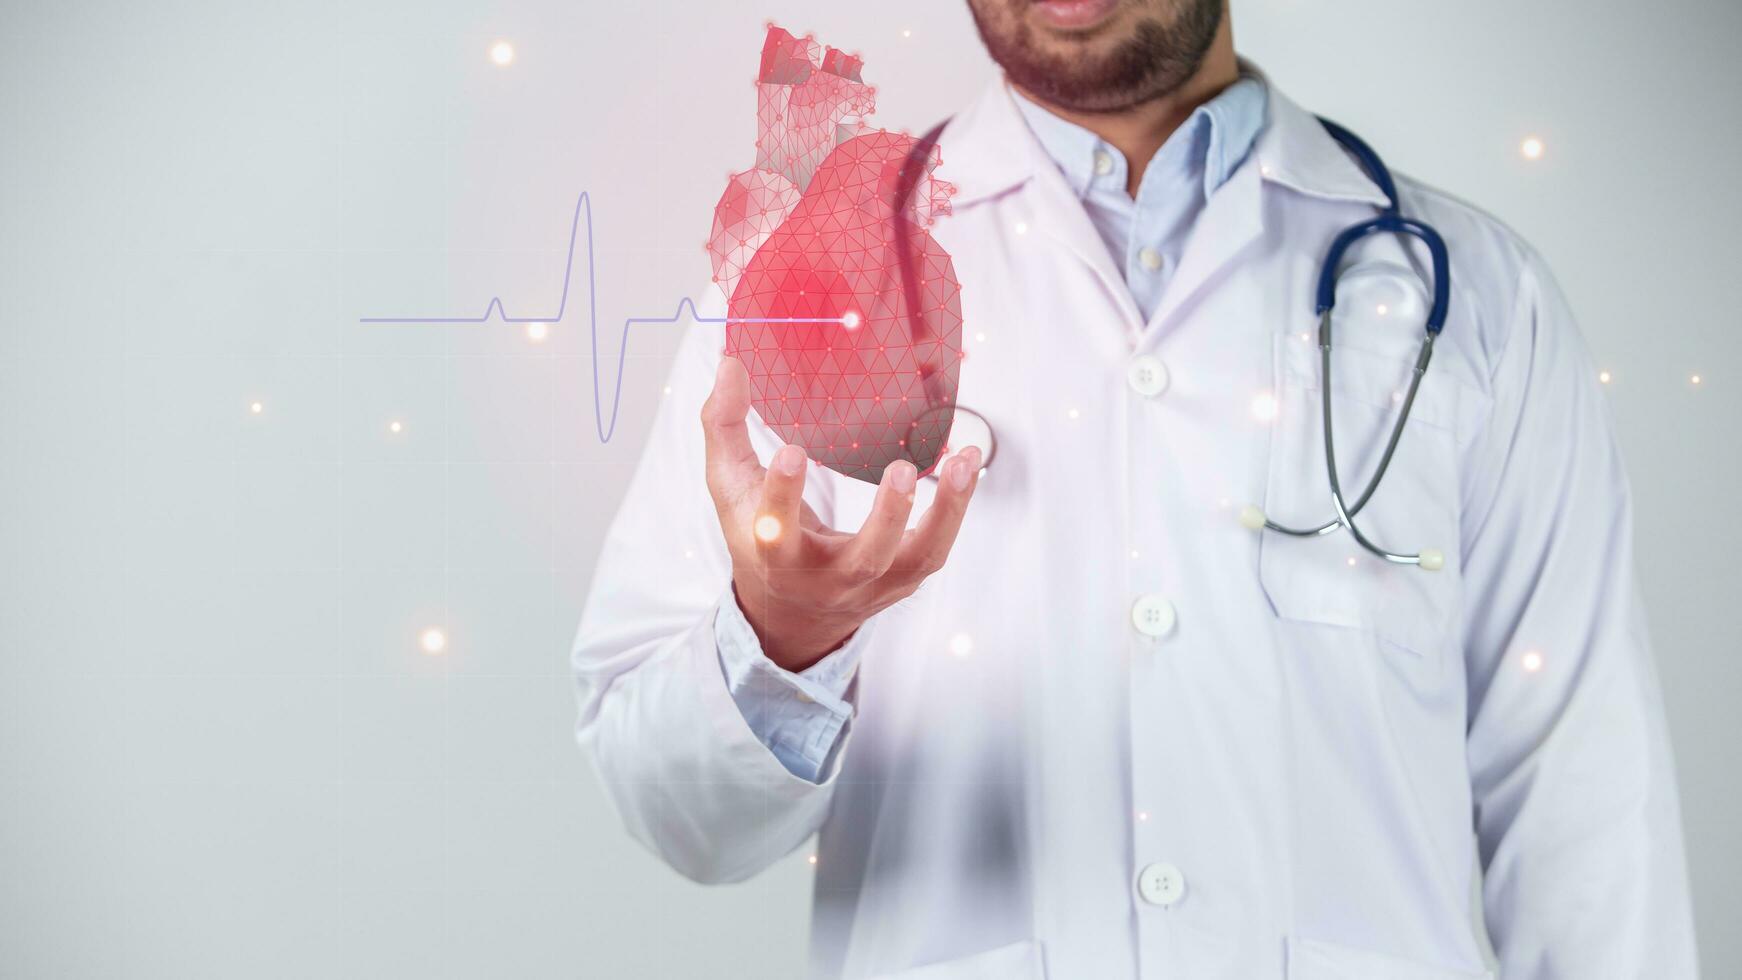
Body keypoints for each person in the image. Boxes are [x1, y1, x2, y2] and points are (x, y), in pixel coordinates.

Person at [572, 0, 1699, 976]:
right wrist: (781, 641)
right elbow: (678, 811)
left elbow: (1579, 799)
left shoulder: (1480, 301)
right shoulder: (807, 288)